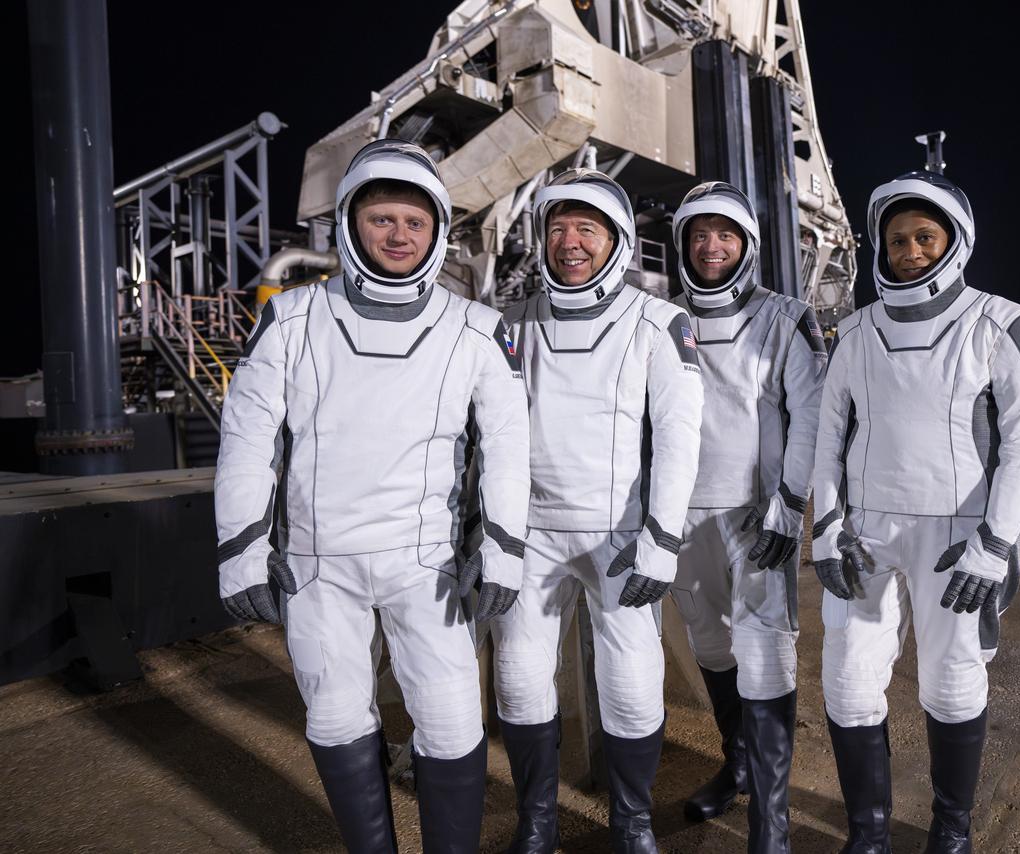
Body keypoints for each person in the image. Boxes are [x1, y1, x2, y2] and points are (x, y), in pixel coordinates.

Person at [214, 139, 530, 854]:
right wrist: (241, 550)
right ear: (351, 223)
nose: (398, 235)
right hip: (318, 566)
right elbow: (247, 438)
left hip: (428, 564)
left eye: (414, 223)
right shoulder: (292, 319)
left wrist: (503, 550)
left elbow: (510, 450)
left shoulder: (476, 330)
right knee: (332, 718)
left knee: (450, 723)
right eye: (382, 218)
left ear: (438, 231)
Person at [812, 171, 1020, 854]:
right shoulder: (856, 331)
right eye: (896, 241)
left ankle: (952, 827)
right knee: (849, 687)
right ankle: (869, 830)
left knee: (949, 686)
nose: (909, 251)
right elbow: (828, 439)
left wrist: (996, 541)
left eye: (924, 237)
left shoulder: (999, 322)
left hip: (959, 536)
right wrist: (826, 528)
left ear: (955, 241)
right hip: (864, 533)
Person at [490, 168, 704, 854]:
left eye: (586, 228)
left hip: (621, 536)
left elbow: (678, 435)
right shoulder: (511, 322)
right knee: (520, 680)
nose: (569, 242)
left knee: (633, 684)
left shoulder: (659, 322)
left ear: (615, 241)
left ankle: (633, 821)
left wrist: (662, 539)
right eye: (557, 229)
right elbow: (483, 431)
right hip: (530, 534)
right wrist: (490, 533)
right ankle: (537, 819)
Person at [666, 182, 827, 851]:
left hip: (757, 515)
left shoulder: (786, 316)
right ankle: (735, 767)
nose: (712, 247)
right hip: (682, 515)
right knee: (710, 648)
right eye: (699, 235)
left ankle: (771, 821)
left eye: (725, 235)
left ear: (747, 246)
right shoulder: (664, 319)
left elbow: (813, 411)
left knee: (767, 659)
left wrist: (790, 503)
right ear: (682, 244)